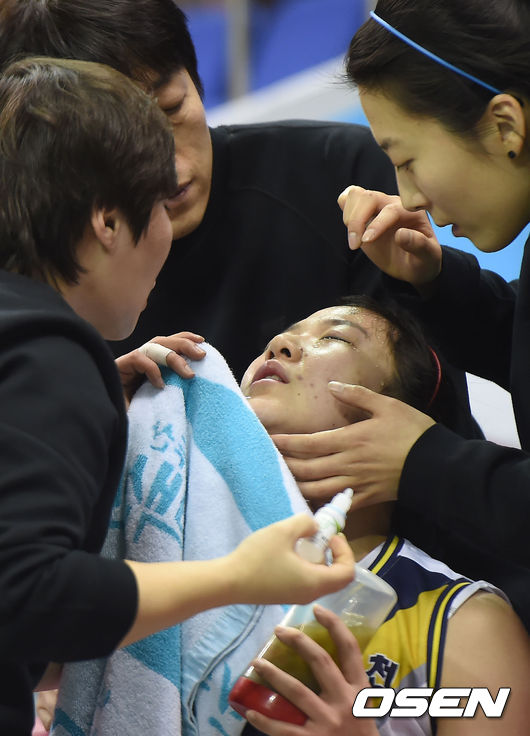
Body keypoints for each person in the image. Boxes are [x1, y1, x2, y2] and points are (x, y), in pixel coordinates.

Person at [0, 56, 355, 736]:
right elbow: (24, 594)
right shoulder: (49, 353)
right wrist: (236, 578)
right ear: (108, 222)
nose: (169, 231)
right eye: (161, 207)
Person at [0, 0, 480, 445]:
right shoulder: (37, 290)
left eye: (173, 109)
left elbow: (431, 420)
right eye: (117, 151)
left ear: (195, 78)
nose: (170, 170)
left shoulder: (346, 183)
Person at [270, 0, 530, 633]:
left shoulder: (469, 631)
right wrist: (434, 280)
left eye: (407, 159)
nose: (409, 196)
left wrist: (425, 463)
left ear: (505, 125)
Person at [238, 297, 530, 735]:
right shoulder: (164, 533)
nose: (279, 344)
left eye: (334, 337)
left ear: (397, 418)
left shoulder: (465, 624)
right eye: (285, 334)